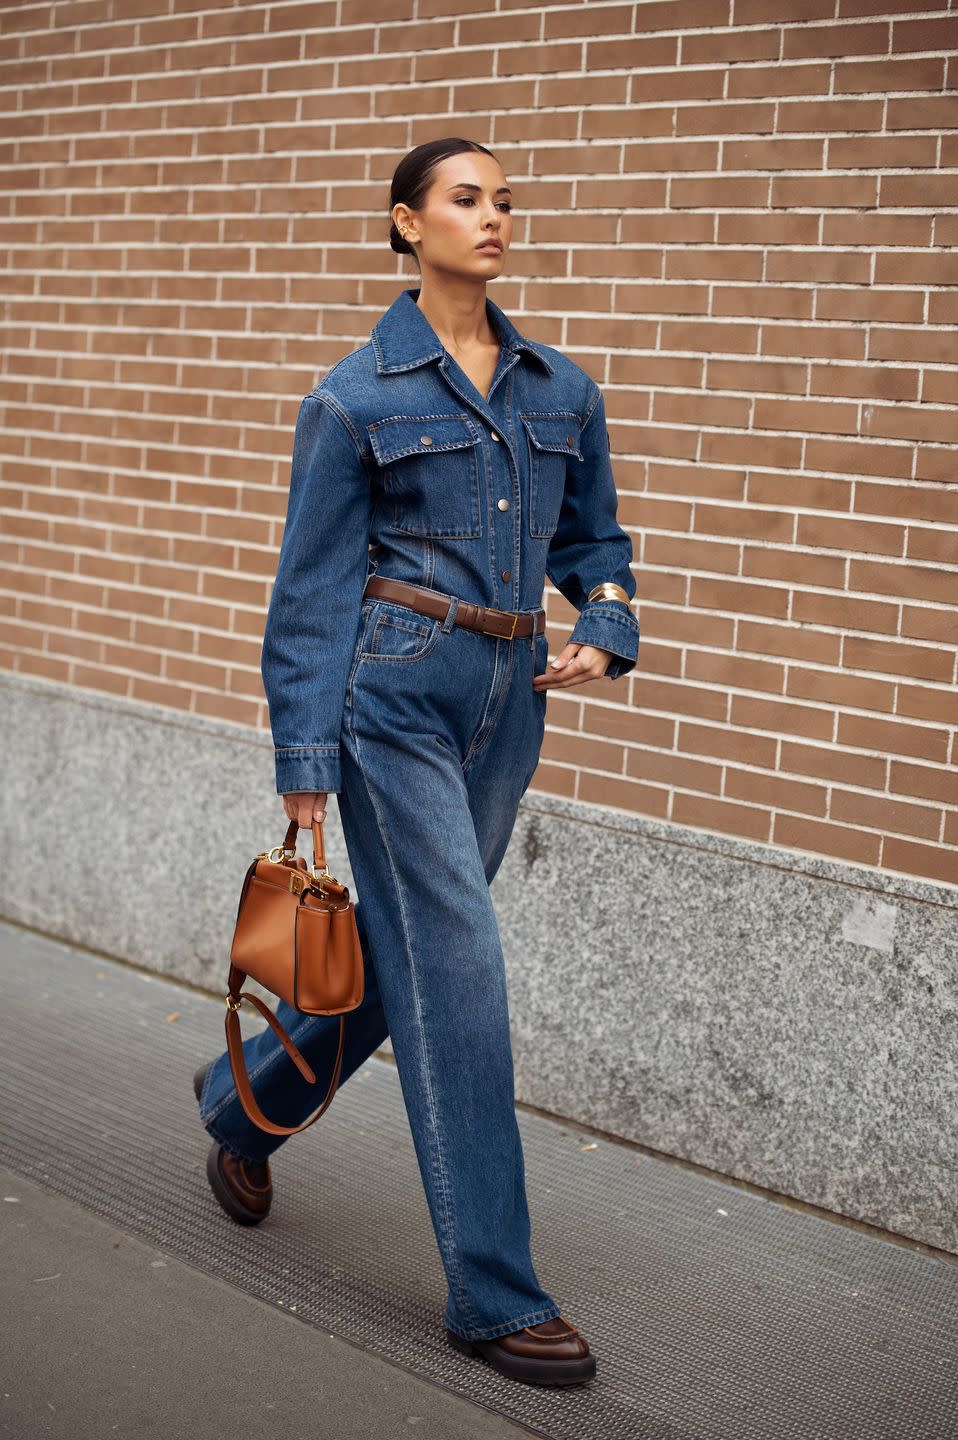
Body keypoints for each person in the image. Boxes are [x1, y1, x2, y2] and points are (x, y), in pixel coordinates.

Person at [193, 137, 639, 1388]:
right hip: (392, 695)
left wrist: (604, 628)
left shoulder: (562, 391)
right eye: (465, 199)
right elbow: (311, 588)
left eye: (505, 201)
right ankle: (494, 1292)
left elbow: (596, 539)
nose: (493, 217)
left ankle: (239, 1110)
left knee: (407, 967)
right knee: (460, 973)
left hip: (510, 699)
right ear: (406, 224)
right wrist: (303, 754)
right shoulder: (355, 399)